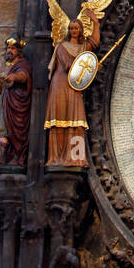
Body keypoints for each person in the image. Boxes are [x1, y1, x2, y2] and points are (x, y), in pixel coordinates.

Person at [45, 16, 98, 167]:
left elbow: (95, 42)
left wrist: (95, 22)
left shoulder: (82, 48)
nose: (74, 31)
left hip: (74, 86)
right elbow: (69, 66)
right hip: (61, 85)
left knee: (77, 121)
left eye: (76, 28)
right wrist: (90, 66)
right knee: (60, 119)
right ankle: (56, 158)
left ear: (81, 30)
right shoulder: (62, 47)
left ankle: (76, 157)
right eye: (71, 28)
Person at [0, 36, 32, 167]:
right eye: (8, 48)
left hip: (17, 105)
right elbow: (2, 88)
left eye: (13, 48)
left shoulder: (22, 64)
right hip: (6, 103)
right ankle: (2, 157)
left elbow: (24, 76)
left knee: (14, 131)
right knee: (3, 130)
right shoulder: (7, 67)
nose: (10, 51)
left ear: (18, 51)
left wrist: (14, 77)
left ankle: (14, 156)